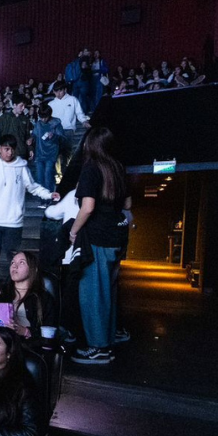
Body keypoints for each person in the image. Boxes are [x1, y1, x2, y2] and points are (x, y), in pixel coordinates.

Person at [68, 127, 131, 364]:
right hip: (117, 236)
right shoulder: (117, 167)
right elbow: (127, 202)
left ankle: (99, 347)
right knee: (109, 291)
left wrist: (74, 231)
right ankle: (109, 337)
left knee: (93, 293)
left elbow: (88, 207)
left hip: (98, 237)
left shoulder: (91, 167)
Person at [0, 135, 59, 280]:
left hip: (14, 220)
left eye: (12, 149)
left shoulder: (21, 167)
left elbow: (32, 187)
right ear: (0, 149)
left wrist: (49, 194)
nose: (9, 152)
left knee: (13, 257)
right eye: (6, 149)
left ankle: (12, 284)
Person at [30, 104, 64, 192]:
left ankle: (49, 197)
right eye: (41, 117)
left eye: (45, 117)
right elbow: (34, 134)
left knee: (48, 175)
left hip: (51, 153)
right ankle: (42, 199)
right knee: (40, 177)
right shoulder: (38, 124)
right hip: (40, 153)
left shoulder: (56, 123)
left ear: (49, 115)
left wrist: (54, 136)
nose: (43, 119)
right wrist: (31, 138)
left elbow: (62, 137)